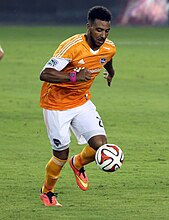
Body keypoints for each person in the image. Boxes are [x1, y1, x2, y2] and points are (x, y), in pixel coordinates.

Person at [39, 6, 116, 207]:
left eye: (107, 31)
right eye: (99, 30)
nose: (103, 35)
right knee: (60, 155)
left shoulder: (109, 47)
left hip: (81, 101)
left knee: (100, 143)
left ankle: (78, 163)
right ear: (88, 27)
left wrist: (111, 71)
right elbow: (44, 74)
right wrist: (74, 76)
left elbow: (106, 57)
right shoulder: (71, 47)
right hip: (55, 105)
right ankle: (47, 192)